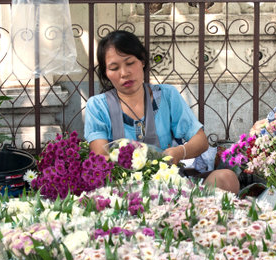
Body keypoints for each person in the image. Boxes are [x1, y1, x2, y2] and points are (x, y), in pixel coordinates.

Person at [84, 30, 239, 194]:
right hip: (124, 191)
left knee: (226, 179)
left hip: (171, 186)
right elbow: (101, 157)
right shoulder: (98, 106)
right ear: (106, 74)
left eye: (130, 63)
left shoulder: (167, 96)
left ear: (142, 61)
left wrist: (179, 152)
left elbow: (200, 140)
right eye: (114, 68)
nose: (124, 73)